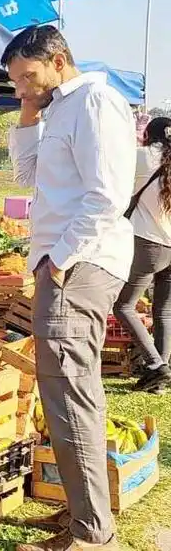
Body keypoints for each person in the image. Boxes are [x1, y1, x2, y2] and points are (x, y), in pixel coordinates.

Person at [6, 26, 136, 551]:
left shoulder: (96, 102)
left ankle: (91, 534)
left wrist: (57, 263)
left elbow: (106, 197)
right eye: (14, 82)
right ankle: (84, 515)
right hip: (63, 262)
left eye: (27, 76)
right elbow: (24, 176)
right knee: (67, 397)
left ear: (58, 60)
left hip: (77, 265)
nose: (20, 88)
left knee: (71, 395)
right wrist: (28, 114)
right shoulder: (59, 106)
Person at [113, 117, 171, 392]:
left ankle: (156, 365)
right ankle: (159, 380)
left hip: (148, 244)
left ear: (148, 134)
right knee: (164, 312)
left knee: (123, 305)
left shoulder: (142, 156)